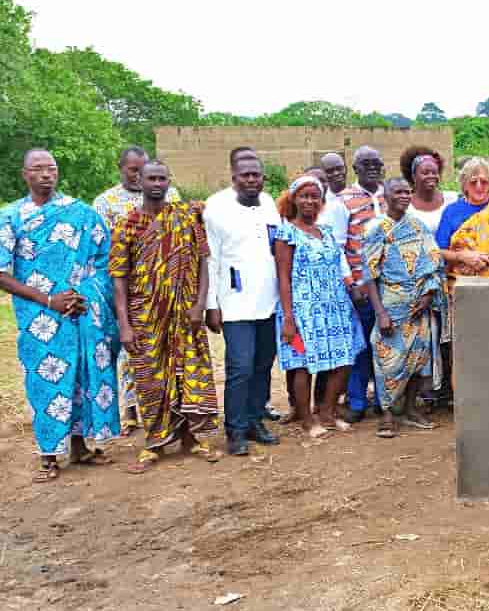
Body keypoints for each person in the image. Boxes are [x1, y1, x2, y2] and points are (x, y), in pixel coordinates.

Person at [0, 149, 120, 482]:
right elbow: (1, 272)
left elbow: (103, 261)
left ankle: (81, 447)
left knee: (82, 376)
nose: (45, 174)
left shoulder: (81, 213)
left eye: (51, 168)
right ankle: (50, 455)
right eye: (37, 169)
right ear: (25, 174)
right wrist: (49, 299)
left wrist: (85, 296)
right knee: (45, 381)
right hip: (40, 318)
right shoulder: (11, 217)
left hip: (81, 312)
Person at [110, 160, 220, 474]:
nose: (157, 183)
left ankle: (191, 439)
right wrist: (124, 324)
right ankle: (154, 443)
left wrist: (200, 303)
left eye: (162, 178)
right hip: (145, 316)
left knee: (188, 372)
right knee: (150, 379)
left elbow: (202, 261)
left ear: (169, 181)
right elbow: (119, 278)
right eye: (151, 178)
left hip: (185, 313)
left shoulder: (186, 217)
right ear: (140, 181)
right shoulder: (127, 224)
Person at [93, 145, 181, 437]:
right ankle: (132, 411)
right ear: (122, 169)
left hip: (166, 289)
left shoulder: (173, 198)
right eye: (134, 170)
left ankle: (170, 415)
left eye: (144, 170)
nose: (140, 175)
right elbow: (105, 248)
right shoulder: (105, 201)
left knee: (167, 356)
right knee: (129, 352)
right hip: (125, 286)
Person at [275, 175, 366, 438]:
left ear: (321, 201)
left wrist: (351, 288)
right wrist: (289, 317)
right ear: (294, 199)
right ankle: (307, 420)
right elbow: (283, 277)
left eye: (315, 196)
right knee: (303, 364)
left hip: (335, 306)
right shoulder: (286, 232)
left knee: (344, 358)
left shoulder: (326, 232)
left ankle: (327, 411)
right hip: (302, 310)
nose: (309, 201)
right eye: (304, 196)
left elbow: (339, 267)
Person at [204, 154, 281, 456]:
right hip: (234, 303)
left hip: (269, 302)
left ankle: (254, 421)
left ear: (263, 178)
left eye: (256, 175)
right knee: (240, 367)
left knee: (263, 366)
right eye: (245, 175)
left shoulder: (269, 203)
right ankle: (235, 430)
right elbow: (211, 261)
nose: (251, 180)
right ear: (233, 177)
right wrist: (212, 304)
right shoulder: (217, 208)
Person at [361, 177, 447, 438]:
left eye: (407, 192)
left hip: (419, 304)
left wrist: (429, 294)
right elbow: (370, 274)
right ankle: (387, 414)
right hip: (391, 303)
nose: (404, 196)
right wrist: (381, 313)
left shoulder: (418, 226)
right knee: (388, 360)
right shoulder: (375, 228)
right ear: (385, 196)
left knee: (419, 358)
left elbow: (434, 261)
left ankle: (410, 409)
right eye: (397, 191)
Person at [435, 158, 489, 405]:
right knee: (462, 350)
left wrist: (484, 260)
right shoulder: (452, 212)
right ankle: (464, 403)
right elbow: (438, 252)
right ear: (464, 185)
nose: (479, 186)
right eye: (473, 181)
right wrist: (462, 256)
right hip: (461, 294)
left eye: (485, 181)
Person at [339, 145, 387, 423]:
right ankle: (357, 402)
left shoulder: (391, 194)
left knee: (384, 345)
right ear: (355, 168)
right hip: (359, 287)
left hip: (389, 288)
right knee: (361, 346)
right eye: (365, 163)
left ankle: (383, 400)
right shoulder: (343, 200)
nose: (372, 167)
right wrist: (351, 283)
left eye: (376, 162)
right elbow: (338, 246)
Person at [401, 145, 458, 234]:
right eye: (425, 173)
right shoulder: (405, 206)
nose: (431, 176)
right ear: (413, 176)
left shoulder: (453, 199)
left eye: (434, 172)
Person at [317, 152, 350, 247]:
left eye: (340, 168)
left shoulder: (358, 197)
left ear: (346, 169)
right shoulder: (320, 203)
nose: (336, 173)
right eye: (329, 171)